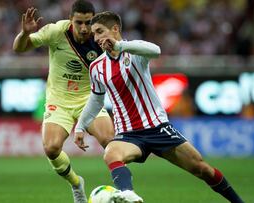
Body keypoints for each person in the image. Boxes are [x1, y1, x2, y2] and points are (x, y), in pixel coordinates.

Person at [74, 11, 244, 203]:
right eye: (94, 33)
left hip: (158, 128)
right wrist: (81, 126)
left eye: (100, 31)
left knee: (202, 169)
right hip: (129, 134)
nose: (96, 38)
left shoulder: (134, 52)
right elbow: (96, 100)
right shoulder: (97, 67)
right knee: (111, 153)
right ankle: (127, 194)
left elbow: (156, 50)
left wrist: (120, 46)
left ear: (115, 29)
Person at [12, 1, 115, 203]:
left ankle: (123, 190)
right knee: (51, 148)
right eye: (79, 22)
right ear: (71, 20)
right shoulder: (56, 31)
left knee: (110, 141)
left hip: (89, 99)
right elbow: (19, 49)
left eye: (88, 23)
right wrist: (25, 33)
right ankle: (76, 184)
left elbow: (121, 60)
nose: (84, 28)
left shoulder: (102, 38)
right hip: (58, 101)